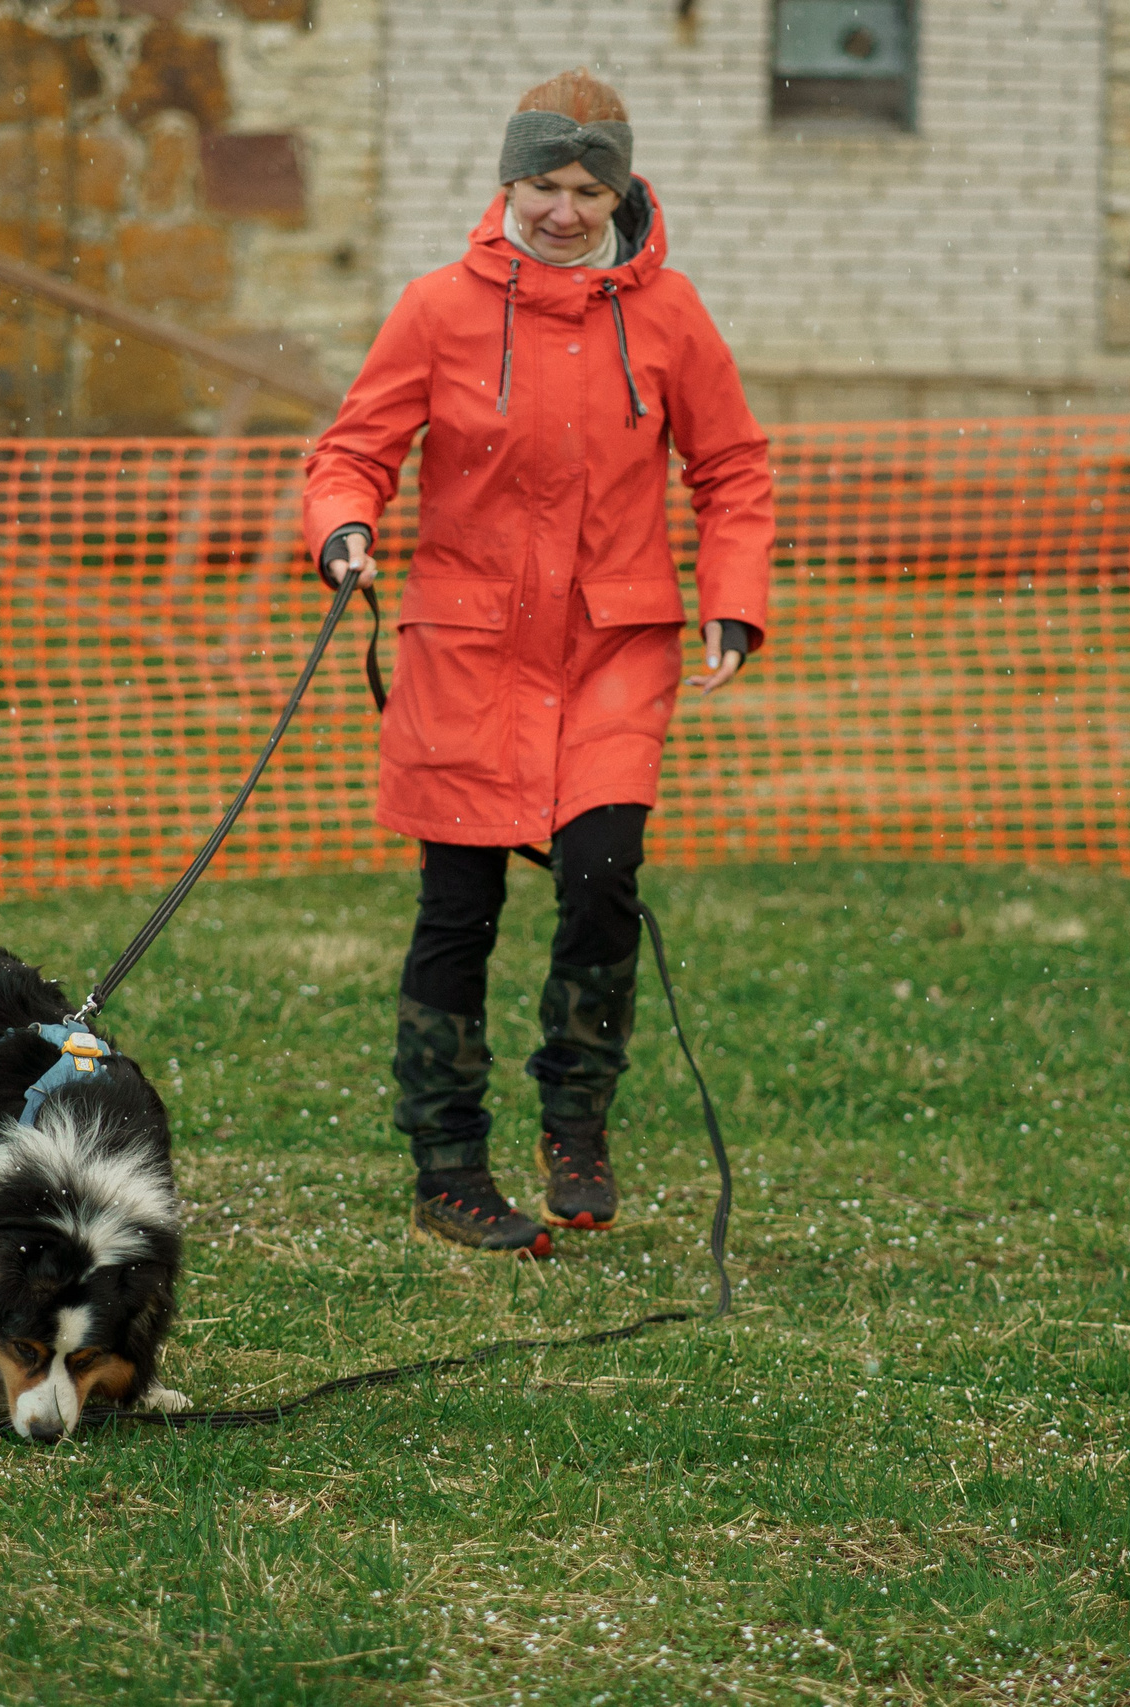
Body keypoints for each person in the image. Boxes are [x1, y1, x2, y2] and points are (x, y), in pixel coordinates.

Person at [303, 69, 774, 1257]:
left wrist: (732, 598)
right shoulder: (436, 309)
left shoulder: (669, 316)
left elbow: (731, 470)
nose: (566, 210)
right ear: (507, 181)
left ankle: (577, 1116)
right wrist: (343, 528)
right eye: (545, 184)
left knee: (601, 876)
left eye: (588, 186)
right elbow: (353, 450)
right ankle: (448, 1164)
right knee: (456, 911)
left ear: (619, 188)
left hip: (615, 643)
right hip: (466, 649)